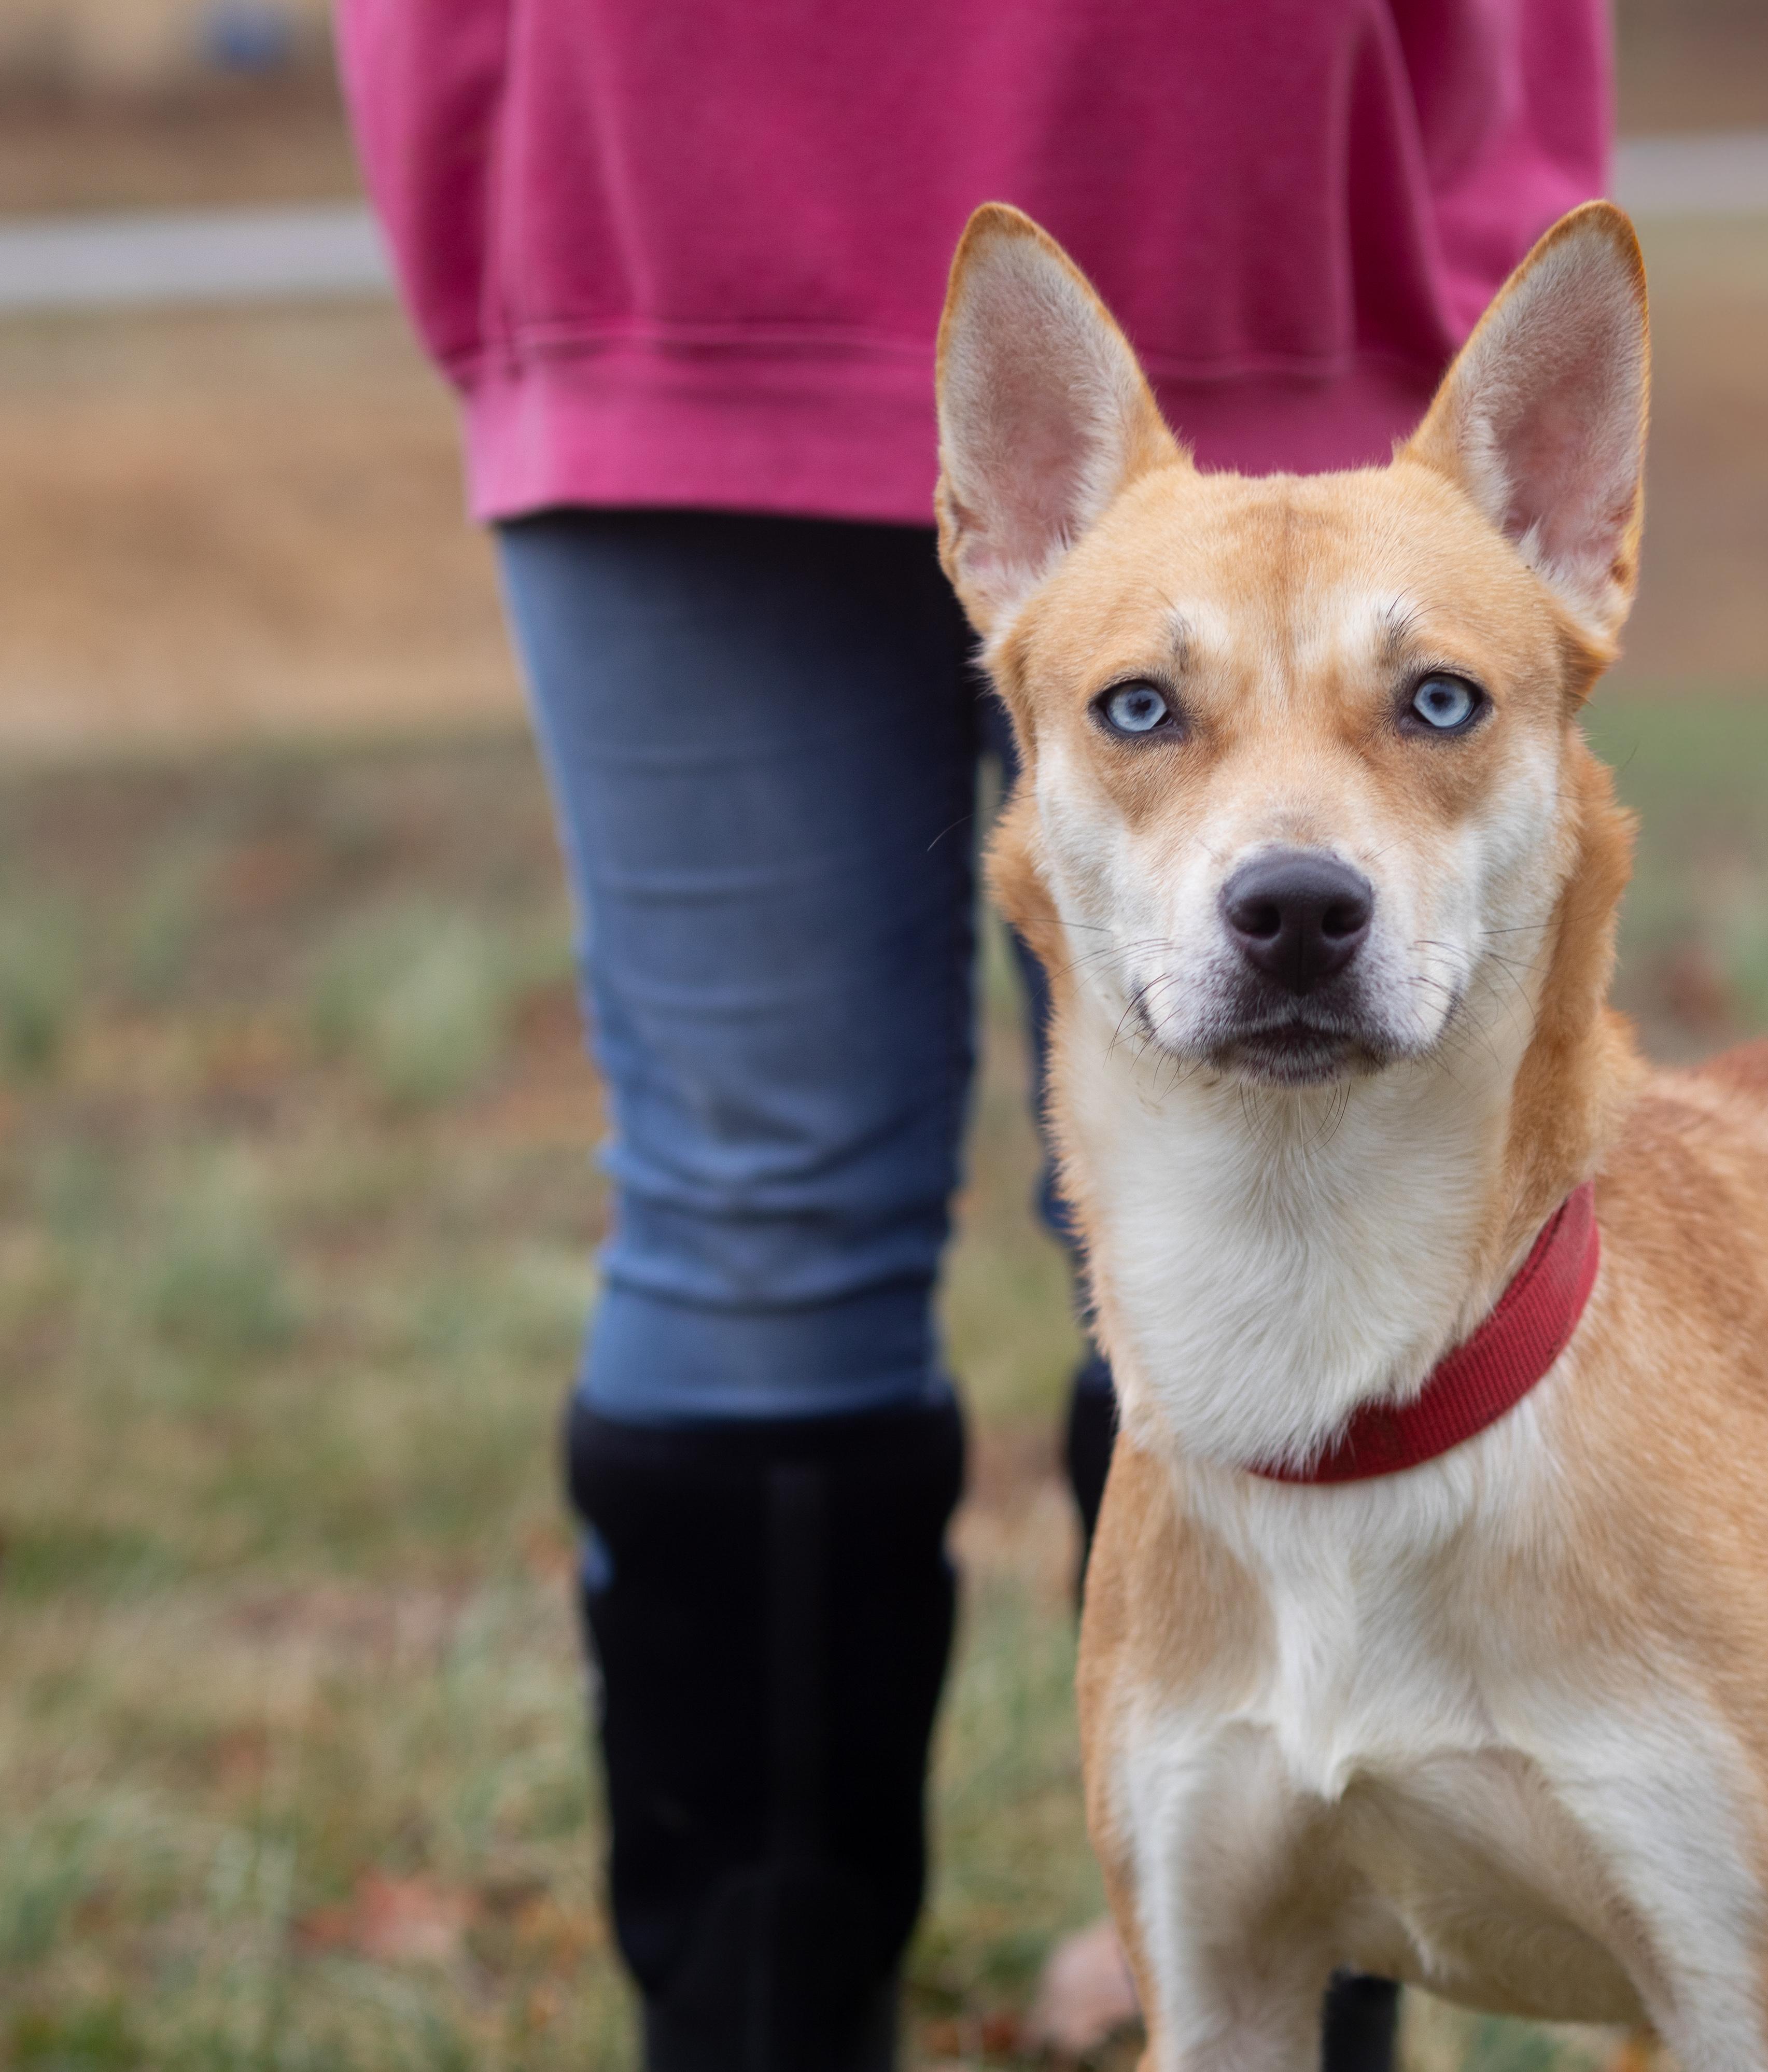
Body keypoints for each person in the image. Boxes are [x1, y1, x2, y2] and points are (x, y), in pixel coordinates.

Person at [333, 5, 1611, 2066]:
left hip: (1242, 161)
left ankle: (1271, 1974)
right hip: (672, 181)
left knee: (1295, 1222)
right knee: (752, 1203)